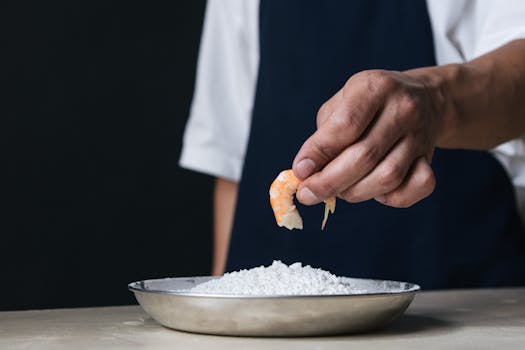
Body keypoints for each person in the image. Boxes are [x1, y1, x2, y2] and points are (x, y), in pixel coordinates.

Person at [180, 0, 525, 289]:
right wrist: (218, 305)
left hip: (450, 288)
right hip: (270, 306)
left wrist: (436, 102)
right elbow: (229, 160)